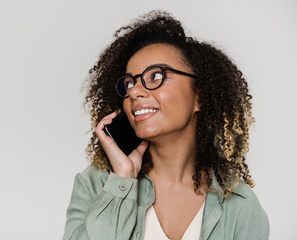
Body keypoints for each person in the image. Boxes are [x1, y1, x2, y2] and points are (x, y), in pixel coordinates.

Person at [62, 10, 269, 240]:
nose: (134, 92)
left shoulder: (240, 206)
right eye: (129, 83)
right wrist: (123, 181)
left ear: (199, 95)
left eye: (155, 76)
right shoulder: (95, 185)